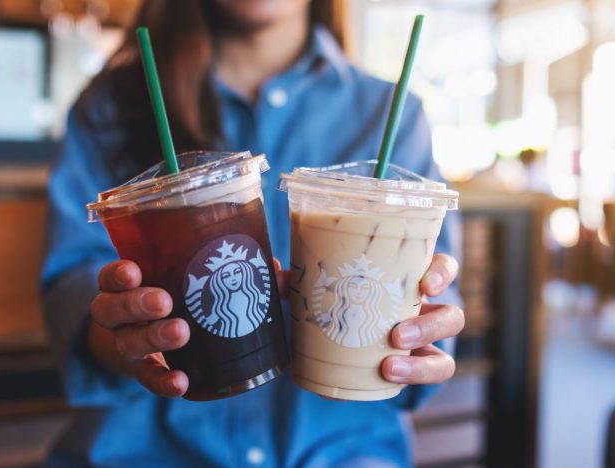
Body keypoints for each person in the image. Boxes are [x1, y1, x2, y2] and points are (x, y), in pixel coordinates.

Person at [41, 0, 464, 466]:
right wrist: (128, 335)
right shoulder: (108, 106)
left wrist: (423, 330)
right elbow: (73, 289)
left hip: (340, 451)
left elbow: (431, 308)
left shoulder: (392, 112)